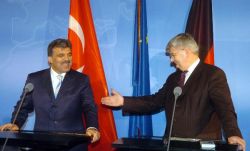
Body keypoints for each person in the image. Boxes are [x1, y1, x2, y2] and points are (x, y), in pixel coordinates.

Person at [101, 33, 246, 151]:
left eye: (173, 54)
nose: (171, 60)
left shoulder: (213, 74)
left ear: (186, 51)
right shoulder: (173, 78)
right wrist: (124, 102)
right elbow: (155, 101)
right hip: (172, 145)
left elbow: (225, 109)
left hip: (201, 146)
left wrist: (233, 134)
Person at [0, 38, 100, 151]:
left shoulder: (81, 80)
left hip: (74, 144)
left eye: (69, 54)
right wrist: (15, 123)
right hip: (41, 143)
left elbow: (89, 107)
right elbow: (23, 107)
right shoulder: (34, 79)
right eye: (61, 55)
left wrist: (92, 127)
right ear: (50, 59)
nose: (67, 59)